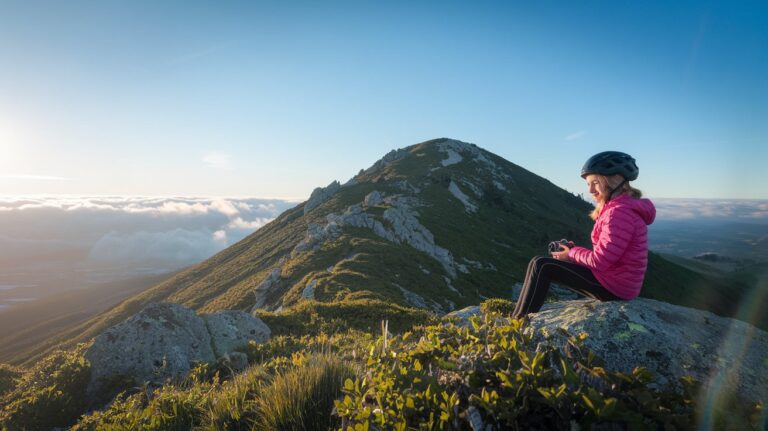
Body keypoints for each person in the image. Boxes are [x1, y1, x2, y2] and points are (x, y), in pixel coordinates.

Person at [512, 151, 656, 319]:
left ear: (614, 179)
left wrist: (571, 253)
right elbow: (607, 255)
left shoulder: (619, 213)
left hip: (615, 286)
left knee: (542, 265)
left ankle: (518, 323)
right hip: (617, 281)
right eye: (588, 184)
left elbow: (600, 261)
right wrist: (572, 254)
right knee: (540, 263)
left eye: (595, 182)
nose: (590, 190)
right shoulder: (620, 208)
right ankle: (517, 318)